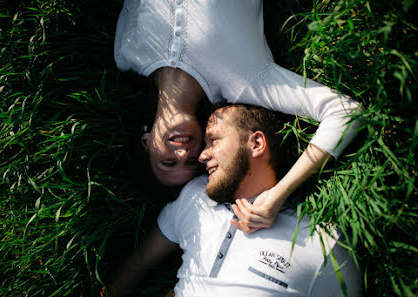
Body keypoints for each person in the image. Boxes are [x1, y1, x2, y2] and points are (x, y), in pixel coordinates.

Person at [114, 0, 362, 232]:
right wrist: (279, 193)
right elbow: (344, 112)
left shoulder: (126, 54)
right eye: (192, 162)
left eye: (168, 162)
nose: (184, 153)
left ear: (145, 142)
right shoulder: (245, 82)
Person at [107, 104, 361, 297]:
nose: (202, 155)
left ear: (257, 143)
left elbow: (347, 113)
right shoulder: (195, 196)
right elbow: (141, 260)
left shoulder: (319, 240)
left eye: (214, 140)